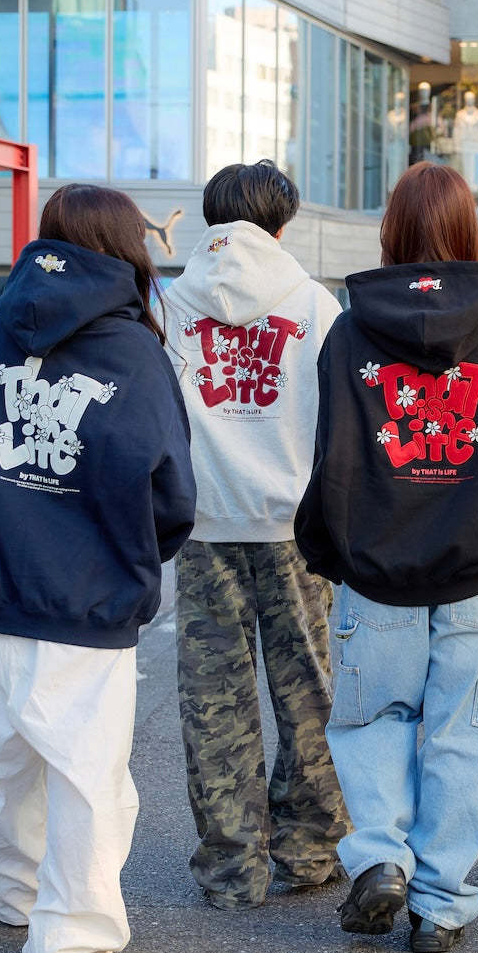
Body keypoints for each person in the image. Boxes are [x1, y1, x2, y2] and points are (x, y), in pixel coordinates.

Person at [295, 162, 478, 953]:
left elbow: (332, 455)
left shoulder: (349, 333)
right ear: (466, 230)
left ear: (390, 231)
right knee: (467, 736)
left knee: (372, 722)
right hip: (477, 576)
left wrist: (328, 550)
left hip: (374, 572)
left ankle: (382, 858)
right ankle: (439, 902)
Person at [0, 183, 196, 953]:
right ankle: (71, 930)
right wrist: (133, 557)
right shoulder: (133, 350)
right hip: (90, 595)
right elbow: (170, 488)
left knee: (1, 760)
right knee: (86, 772)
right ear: (125, 246)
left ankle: (12, 890)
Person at [162, 160, 351, 909]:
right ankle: (307, 851)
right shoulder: (313, 304)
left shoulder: (171, 304)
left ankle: (232, 867)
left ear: (213, 217)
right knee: (309, 695)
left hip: (204, 527)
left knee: (215, 703)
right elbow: (337, 421)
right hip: (294, 531)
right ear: (282, 222)